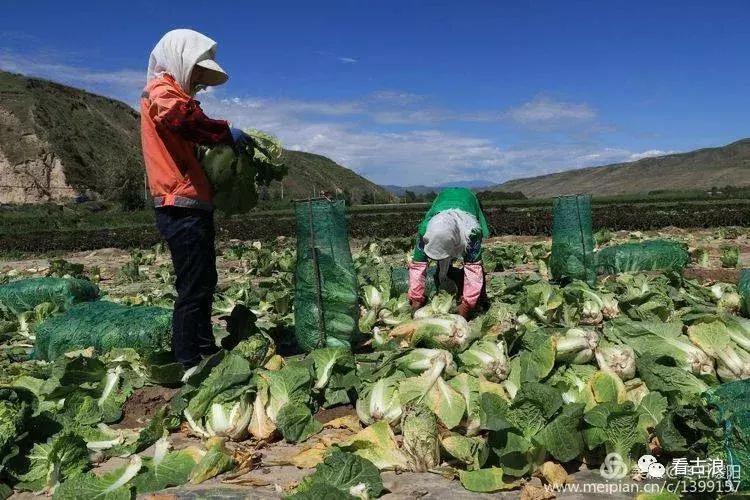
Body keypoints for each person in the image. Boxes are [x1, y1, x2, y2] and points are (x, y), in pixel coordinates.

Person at [141, 29, 251, 368]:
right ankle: (187, 360)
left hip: (192, 205)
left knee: (204, 282)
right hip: (179, 206)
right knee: (192, 286)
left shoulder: (177, 96)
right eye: (198, 73)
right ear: (181, 60)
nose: (200, 83)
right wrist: (223, 132)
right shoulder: (161, 91)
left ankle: (204, 348)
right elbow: (182, 120)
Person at [407, 187, 489, 318]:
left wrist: (466, 307)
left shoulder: (472, 233)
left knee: (474, 261)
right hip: (443, 199)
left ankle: (482, 296)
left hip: (468, 200)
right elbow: (417, 265)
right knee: (428, 254)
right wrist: (416, 299)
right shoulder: (424, 233)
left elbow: (473, 268)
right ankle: (444, 281)